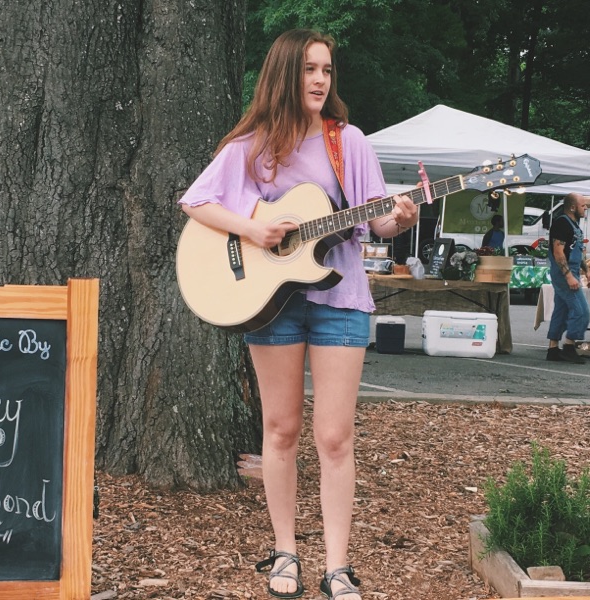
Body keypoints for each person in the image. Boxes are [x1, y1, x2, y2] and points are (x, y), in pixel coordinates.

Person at [177, 29, 418, 600]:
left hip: (341, 301)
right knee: (280, 430)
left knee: (335, 437)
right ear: (285, 74)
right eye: (310, 69)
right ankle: (286, 552)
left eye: (327, 70)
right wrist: (254, 228)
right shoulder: (251, 147)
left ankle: (337, 565)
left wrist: (401, 218)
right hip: (269, 304)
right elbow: (195, 201)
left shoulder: (348, 141)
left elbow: (376, 220)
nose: (319, 80)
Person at [546, 192, 590, 364]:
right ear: (572, 207)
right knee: (581, 311)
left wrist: (586, 270)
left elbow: (576, 250)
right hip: (563, 274)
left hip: (571, 272)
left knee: (562, 310)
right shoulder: (561, 224)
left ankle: (553, 349)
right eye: (583, 205)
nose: (585, 207)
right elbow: (558, 253)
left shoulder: (574, 225)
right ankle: (570, 346)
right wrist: (569, 277)